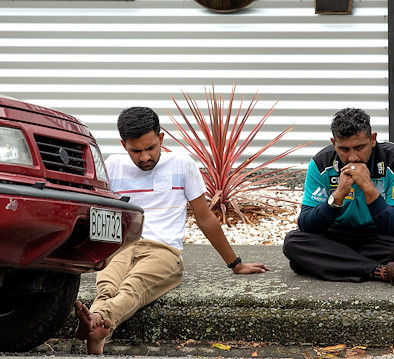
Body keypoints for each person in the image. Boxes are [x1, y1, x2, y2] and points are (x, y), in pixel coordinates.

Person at [74, 107, 269, 354]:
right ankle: (98, 330)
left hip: (163, 251)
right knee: (108, 285)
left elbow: (204, 217)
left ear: (161, 138)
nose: (145, 157)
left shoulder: (182, 164)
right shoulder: (112, 165)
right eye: (136, 150)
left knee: (133, 286)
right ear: (123, 144)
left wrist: (236, 264)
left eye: (151, 148)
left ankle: (99, 318)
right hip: (121, 247)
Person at [283, 108, 394, 286]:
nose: (352, 157)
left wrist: (369, 189)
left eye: (359, 147)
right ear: (334, 143)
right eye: (344, 149)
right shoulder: (320, 164)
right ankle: (376, 271)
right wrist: (338, 196)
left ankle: (326, 262)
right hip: (339, 235)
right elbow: (306, 225)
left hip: (381, 237)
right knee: (292, 242)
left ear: (372, 139)